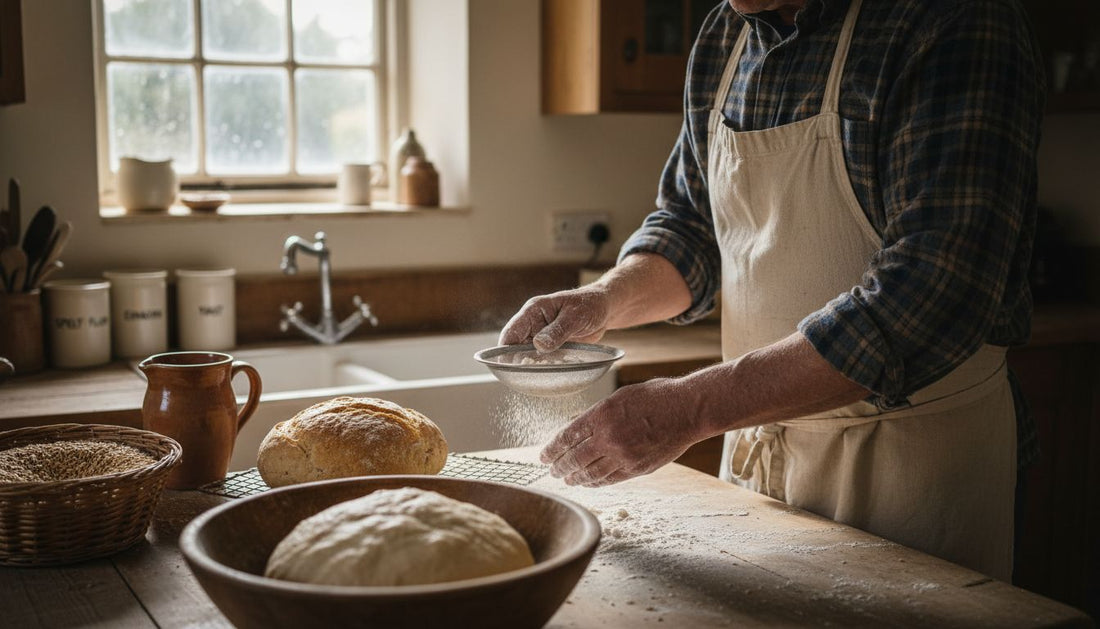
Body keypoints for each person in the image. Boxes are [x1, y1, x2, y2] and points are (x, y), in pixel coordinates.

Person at [500, 0, 1044, 582]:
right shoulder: (724, 34)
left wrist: (693, 407)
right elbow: (692, 230)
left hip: (912, 467)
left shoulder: (953, 20)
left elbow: (930, 294)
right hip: (758, 449)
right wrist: (605, 299)